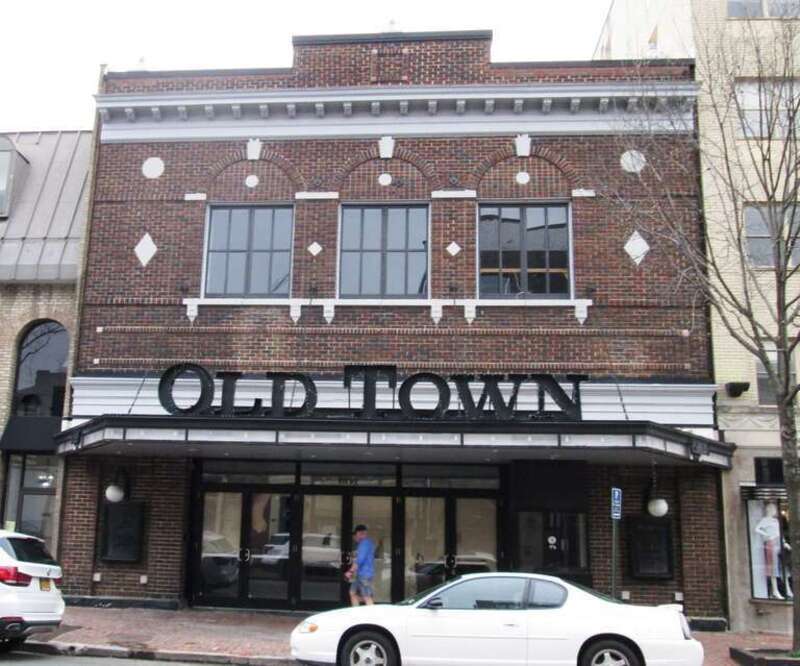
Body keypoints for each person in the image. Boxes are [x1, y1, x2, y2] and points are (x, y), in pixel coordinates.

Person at [346, 524, 375, 606]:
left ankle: (373, 616)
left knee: (367, 596)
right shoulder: (367, 543)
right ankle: (356, 613)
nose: (354, 537)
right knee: (353, 593)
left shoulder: (364, 544)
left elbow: (359, 561)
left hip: (364, 575)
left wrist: (350, 572)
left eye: (355, 535)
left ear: (359, 533)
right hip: (361, 574)